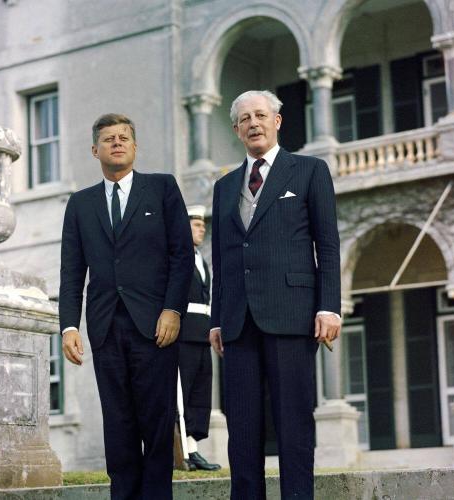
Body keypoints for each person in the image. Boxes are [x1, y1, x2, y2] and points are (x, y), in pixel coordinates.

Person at [210, 90, 342, 499]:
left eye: (261, 115)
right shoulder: (224, 186)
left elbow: (329, 243)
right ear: (236, 129)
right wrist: (217, 318)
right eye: (245, 118)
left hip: (292, 313)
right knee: (243, 430)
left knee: (293, 423)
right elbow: (221, 255)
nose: (254, 123)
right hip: (237, 321)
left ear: (278, 121)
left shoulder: (308, 171)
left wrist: (329, 307)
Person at [59, 113, 194, 500]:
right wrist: (70, 325)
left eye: (123, 137)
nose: (116, 143)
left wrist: (173, 310)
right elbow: (72, 271)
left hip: (155, 326)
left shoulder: (162, 189)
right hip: (105, 328)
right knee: (118, 424)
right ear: (94, 150)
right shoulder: (81, 204)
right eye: (108, 138)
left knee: (155, 422)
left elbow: (181, 255)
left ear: (135, 147)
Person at [178, 205, 221, 471]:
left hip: (202, 333)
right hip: (182, 333)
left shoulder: (200, 259)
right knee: (182, 393)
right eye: (196, 224)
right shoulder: (176, 258)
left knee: (199, 393)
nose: (202, 228)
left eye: (203, 225)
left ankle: (193, 448)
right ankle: (182, 450)